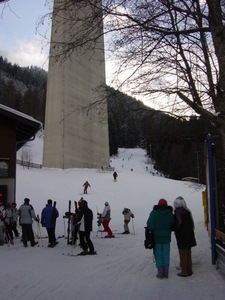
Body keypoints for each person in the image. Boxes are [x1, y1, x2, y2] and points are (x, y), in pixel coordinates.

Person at [147, 198, 174, 279]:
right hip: (167, 238)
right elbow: (173, 224)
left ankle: (160, 272)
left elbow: (150, 225)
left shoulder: (154, 213)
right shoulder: (170, 213)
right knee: (166, 254)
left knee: (158, 254)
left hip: (157, 238)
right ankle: (166, 272)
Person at [173, 196, 197, 277]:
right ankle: (189, 270)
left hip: (181, 235)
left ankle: (184, 271)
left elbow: (177, 225)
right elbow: (191, 223)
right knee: (188, 252)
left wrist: (174, 229)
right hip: (189, 234)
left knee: (182, 252)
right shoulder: (187, 211)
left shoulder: (177, 213)